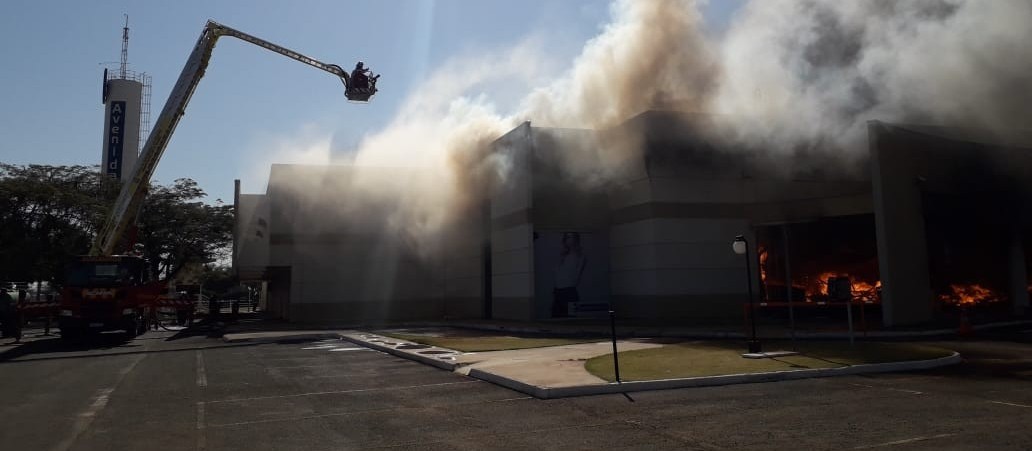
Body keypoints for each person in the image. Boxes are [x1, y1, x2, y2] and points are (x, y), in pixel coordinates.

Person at [553, 232, 587, 318]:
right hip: (558, 291)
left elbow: (577, 275)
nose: (568, 239)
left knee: (570, 318)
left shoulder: (580, 256)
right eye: (566, 237)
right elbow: (557, 272)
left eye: (570, 237)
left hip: (569, 291)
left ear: (575, 239)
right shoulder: (563, 255)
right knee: (557, 318)